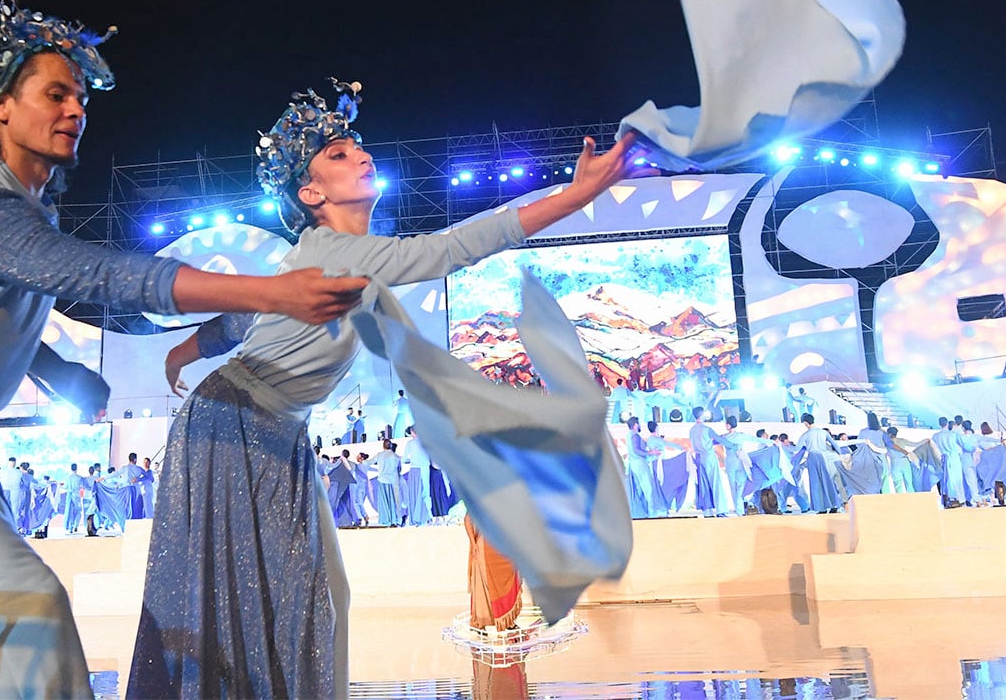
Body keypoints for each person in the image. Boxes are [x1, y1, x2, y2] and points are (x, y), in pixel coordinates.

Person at [0, 0, 369, 700]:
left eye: (81, 98)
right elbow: (100, 274)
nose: (76, 110)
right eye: (55, 94)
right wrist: (269, 293)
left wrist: (59, 366)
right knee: (23, 615)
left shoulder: (24, 209)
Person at [129, 80, 649, 697]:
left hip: (268, 429)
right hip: (236, 423)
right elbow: (453, 248)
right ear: (312, 192)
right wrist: (577, 194)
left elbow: (241, 320)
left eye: (358, 148)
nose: (362, 156)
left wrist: (183, 351)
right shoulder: (342, 251)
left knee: (310, 595)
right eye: (341, 155)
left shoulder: (320, 252)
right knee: (274, 597)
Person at [796, 414, 845, 513]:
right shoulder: (823, 432)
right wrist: (841, 455)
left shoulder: (806, 434)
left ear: (805, 423)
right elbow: (835, 444)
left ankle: (821, 508)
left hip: (813, 458)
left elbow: (797, 448)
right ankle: (834, 505)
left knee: (816, 483)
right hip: (824, 457)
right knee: (828, 481)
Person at [624, 416, 664, 519]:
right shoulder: (635, 435)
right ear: (635, 425)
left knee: (640, 489)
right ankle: (652, 513)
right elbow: (636, 450)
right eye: (639, 423)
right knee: (648, 487)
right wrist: (650, 452)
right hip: (640, 464)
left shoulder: (629, 435)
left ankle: (643, 513)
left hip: (634, 464)